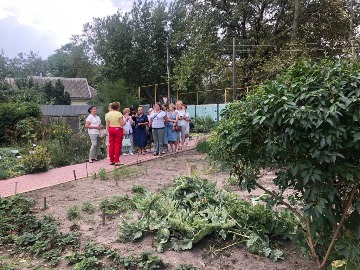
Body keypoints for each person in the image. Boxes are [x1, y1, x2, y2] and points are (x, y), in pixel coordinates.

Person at [106, 102, 126, 166]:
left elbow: (107, 124)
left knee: (111, 144)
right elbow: (122, 124)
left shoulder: (108, 114)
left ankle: (112, 160)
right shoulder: (119, 114)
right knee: (117, 145)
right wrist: (125, 122)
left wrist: (109, 130)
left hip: (111, 129)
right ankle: (117, 160)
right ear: (117, 107)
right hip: (118, 129)